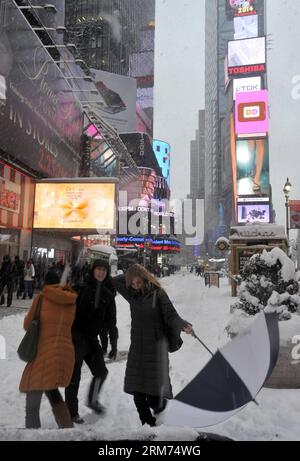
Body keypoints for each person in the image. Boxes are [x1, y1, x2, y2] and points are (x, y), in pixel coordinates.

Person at [113, 264, 193, 427]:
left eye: (138, 282)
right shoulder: (132, 295)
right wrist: (131, 272)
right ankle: (148, 424)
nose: (136, 286)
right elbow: (114, 281)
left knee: (155, 392)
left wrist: (183, 325)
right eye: (133, 284)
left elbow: (171, 315)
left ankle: (157, 406)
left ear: (145, 279)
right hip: (137, 349)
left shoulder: (159, 294)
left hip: (156, 347)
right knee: (137, 389)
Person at [19, 268, 77, 429]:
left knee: (33, 391)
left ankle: (31, 434)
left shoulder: (41, 298)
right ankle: (67, 430)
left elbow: (27, 325)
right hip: (64, 352)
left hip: (44, 351)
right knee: (51, 391)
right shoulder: (71, 301)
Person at [65, 259, 116, 424]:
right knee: (75, 375)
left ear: (107, 273)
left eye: (104, 270)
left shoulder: (108, 295)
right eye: (98, 269)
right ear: (93, 271)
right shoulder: (82, 287)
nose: (101, 272)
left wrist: (112, 344)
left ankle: (92, 400)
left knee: (101, 372)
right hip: (76, 336)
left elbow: (110, 322)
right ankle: (71, 412)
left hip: (91, 340)